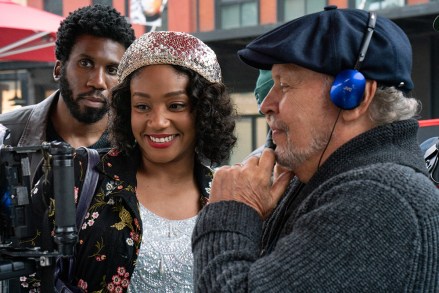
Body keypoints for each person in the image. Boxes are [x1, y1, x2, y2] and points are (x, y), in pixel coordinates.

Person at [192, 6, 439, 292]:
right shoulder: (327, 178)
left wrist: (231, 211)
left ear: (353, 96)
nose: (266, 105)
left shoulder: (380, 197)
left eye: (284, 85)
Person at [24, 31, 236, 292]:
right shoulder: (77, 173)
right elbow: (27, 274)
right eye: (142, 107)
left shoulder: (228, 194)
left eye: (176, 105)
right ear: (126, 110)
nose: (157, 122)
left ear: (205, 111)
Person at [0, 5, 135, 184]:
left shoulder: (136, 139)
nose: (98, 82)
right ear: (58, 69)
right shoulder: (6, 135)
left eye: (112, 70)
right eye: (86, 63)